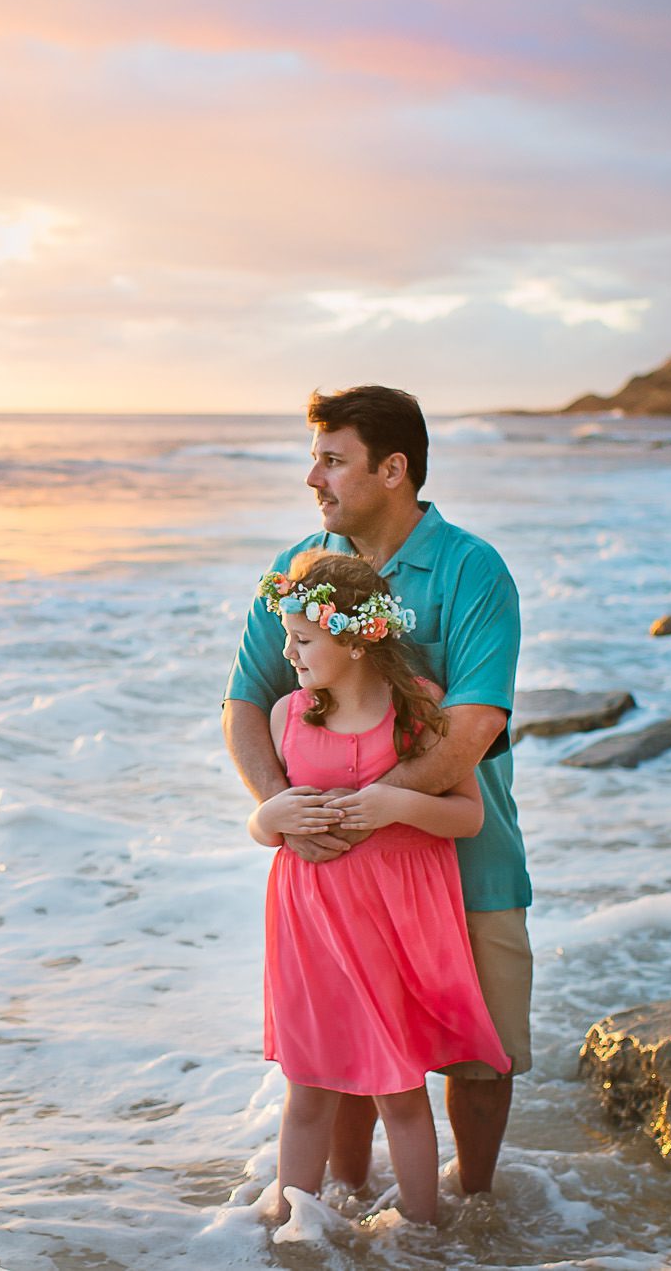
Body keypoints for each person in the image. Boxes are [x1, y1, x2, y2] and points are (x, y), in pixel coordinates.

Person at [227, 385, 531, 1202]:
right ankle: (349, 1219)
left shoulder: (473, 569)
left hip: (470, 857)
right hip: (335, 872)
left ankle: (470, 1214)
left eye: (332, 460)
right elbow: (245, 703)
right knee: (349, 1061)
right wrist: (286, 813)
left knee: (483, 1053)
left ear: (394, 469)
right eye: (314, 458)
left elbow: (470, 728)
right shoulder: (297, 572)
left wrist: (364, 808)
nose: (312, 478)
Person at [249, 550, 510, 1225]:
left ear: (356, 640)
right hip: (311, 933)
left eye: (302, 639)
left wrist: (393, 805)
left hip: (392, 929)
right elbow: (266, 823)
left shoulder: (418, 709)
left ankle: (421, 1236)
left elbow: (468, 813)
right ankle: (291, 1229)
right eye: (286, 637)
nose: (288, 651)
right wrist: (266, 816)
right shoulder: (286, 714)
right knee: (306, 1089)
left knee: (399, 1090)